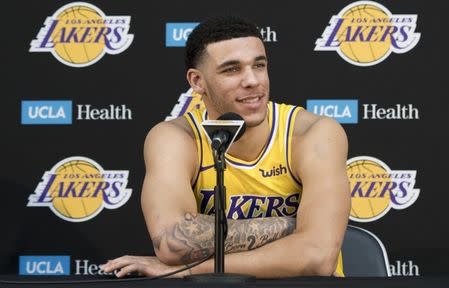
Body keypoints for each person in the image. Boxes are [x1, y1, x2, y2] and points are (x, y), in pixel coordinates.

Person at [100, 15, 350, 278]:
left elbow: (317, 257)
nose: (253, 80)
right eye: (232, 69)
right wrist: (294, 228)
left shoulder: (313, 134)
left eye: (259, 65)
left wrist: (187, 269)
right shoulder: (175, 139)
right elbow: (173, 244)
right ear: (197, 81)